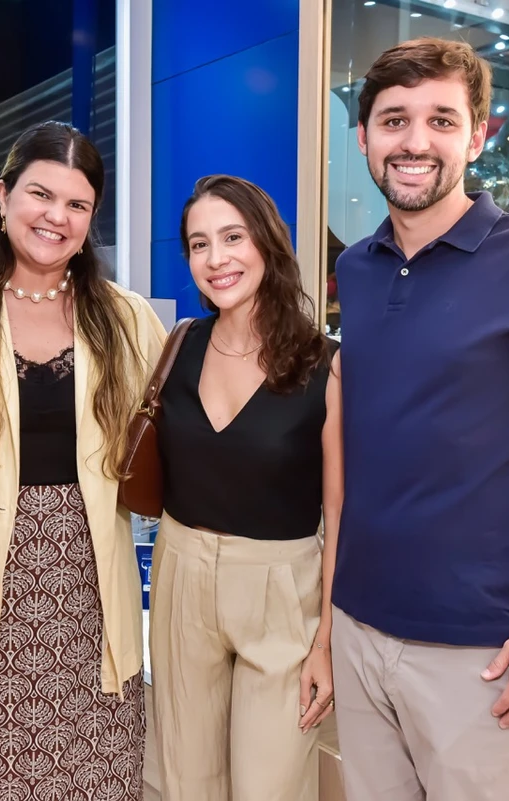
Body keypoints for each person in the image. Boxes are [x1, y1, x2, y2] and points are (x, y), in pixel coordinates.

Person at [331, 38, 509, 800]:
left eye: (441, 119)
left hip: (480, 651)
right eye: (394, 120)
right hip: (359, 631)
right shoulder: (355, 270)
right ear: (363, 138)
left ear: (479, 134)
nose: (415, 141)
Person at [0, 120, 165, 801]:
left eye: (77, 204)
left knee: (100, 781)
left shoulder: (129, 319)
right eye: (40, 195)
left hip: (90, 608)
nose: (56, 216)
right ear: (2, 194)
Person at [148, 175, 342, 801]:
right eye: (199, 244)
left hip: (281, 587)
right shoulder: (177, 346)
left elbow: (339, 513)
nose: (216, 258)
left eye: (232, 237)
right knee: (184, 781)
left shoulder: (325, 362)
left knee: (272, 785)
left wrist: (327, 643)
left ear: (267, 242)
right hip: (180, 572)